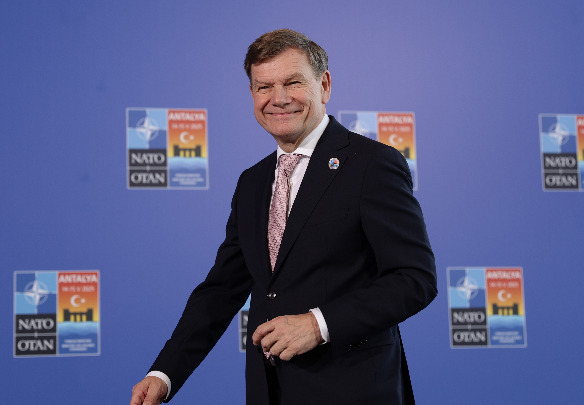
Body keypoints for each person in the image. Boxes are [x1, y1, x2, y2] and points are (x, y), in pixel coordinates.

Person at [130, 28, 437, 405]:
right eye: (264, 87)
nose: (279, 98)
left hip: (354, 391)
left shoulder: (371, 165)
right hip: (270, 392)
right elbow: (222, 289)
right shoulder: (252, 182)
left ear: (324, 85)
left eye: (293, 82)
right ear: (252, 94)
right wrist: (164, 374)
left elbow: (414, 279)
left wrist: (319, 324)